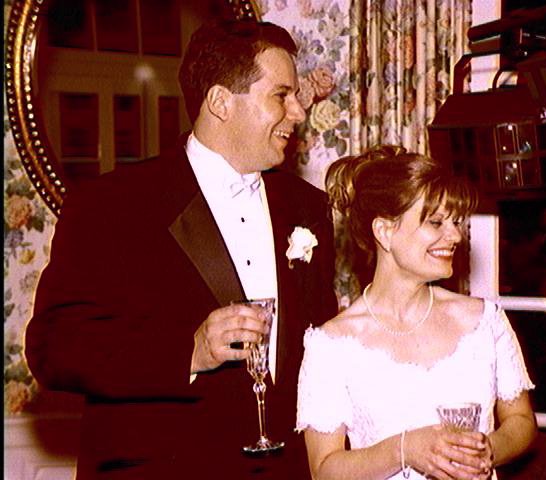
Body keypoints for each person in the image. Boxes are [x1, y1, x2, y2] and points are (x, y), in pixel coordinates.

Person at [25, 18, 337, 479]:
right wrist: (188, 353)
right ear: (220, 102)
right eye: (281, 95)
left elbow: (322, 347)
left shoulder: (308, 208)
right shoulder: (112, 204)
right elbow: (54, 347)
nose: (298, 111)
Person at [296, 145, 537, 479]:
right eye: (436, 222)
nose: (455, 235)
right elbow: (324, 470)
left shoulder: (484, 321)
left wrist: (488, 449)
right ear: (385, 231)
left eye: (455, 222)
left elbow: (521, 421)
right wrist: (405, 449)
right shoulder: (331, 344)